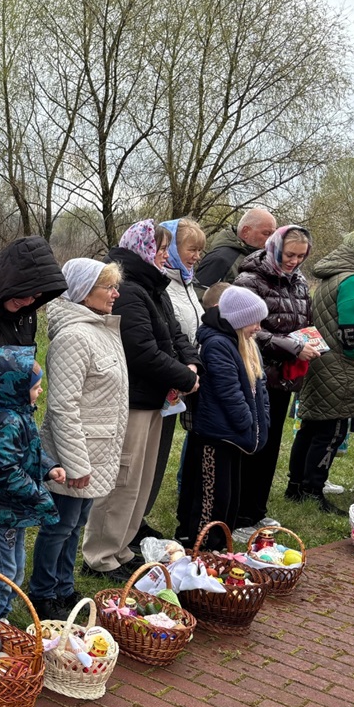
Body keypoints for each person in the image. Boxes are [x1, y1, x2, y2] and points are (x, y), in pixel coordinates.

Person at [80, 221, 199, 581]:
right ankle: (100, 555)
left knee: (141, 481)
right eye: (161, 250)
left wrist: (191, 361)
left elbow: (176, 333)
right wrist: (184, 377)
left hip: (153, 400)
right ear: (143, 250)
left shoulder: (154, 287)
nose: (166, 256)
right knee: (122, 479)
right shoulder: (130, 290)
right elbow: (141, 351)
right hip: (132, 400)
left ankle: (122, 548)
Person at [27, 258, 128, 621]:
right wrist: (74, 463)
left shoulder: (102, 329)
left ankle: (64, 586)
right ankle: (42, 591)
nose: (116, 294)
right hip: (77, 450)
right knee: (59, 527)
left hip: (96, 448)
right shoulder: (73, 336)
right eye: (109, 287)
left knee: (76, 525)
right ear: (84, 291)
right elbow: (63, 407)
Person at [285, 229, 354, 511]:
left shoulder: (335, 276)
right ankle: (313, 489)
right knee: (332, 431)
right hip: (343, 366)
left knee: (311, 427)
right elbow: (351, 323)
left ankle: (296, 486)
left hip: (323, 361)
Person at [232, 226, 317, 531]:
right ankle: (239, 514)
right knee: (251, 444)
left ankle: (256, 509)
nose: (295, 261)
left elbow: (305, 320)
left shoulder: (300, 282)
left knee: (270, 445)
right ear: (275, 248)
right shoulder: (250, 279)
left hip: (284, 376)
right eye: (289, 254)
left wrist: (311, 340)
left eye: (300, 256)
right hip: (256, 372)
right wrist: (292, 345)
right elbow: (245, 328)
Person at [176, 287, 271, 550]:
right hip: (217, 436)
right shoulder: (218, 344)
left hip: (234, 437)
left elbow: (259, 386)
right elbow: (228, 391)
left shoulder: (245, 344)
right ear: (239, 320)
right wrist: (246, 422)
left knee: (230, 497)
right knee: (212, 496)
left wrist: (261, 420)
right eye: (254, 321)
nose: (258, 327)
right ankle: (203, 545)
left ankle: (222, 544)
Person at [0, 347, 64, 621]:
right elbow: (5, 470)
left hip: (18, 510)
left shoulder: (21, 412)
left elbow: (31, 449)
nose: (40, 392)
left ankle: (1, 614)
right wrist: (38, 494)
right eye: (35, 387)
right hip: (4, 511)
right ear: (14, 388)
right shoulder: (7, 421)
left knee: (16, 569)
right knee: (4, 574)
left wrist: (49, 468)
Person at [138, 218, 206, 541]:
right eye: (190, 249)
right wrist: (183, 369)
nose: (195, 256)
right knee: (142, 457)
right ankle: (133, 522)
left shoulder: (189, 283)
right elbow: (159, 337)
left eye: (199, 250)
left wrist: (192, 363)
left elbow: (181, 333)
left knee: (158, 454)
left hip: (179, 380)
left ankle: (140, 516)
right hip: (163, 379)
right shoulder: (162, 284)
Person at [194, 206, 278, 289]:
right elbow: (198, 298)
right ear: (245, 232)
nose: (271, 240)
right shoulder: (219, 259)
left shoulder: (264, 260)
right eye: (266, 233)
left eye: (273, 234)